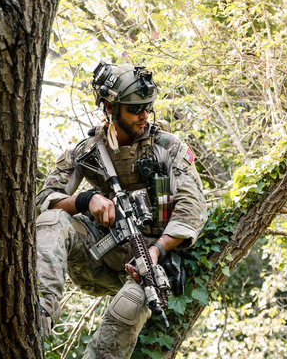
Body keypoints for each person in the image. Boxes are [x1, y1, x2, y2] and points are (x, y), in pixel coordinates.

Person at [35, 61, 208, 358]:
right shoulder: (88, 148)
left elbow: (193, 208)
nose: (144, 116)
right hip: (98, 256)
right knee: (52, 220)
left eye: (147, 107)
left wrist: (155, 252)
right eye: (134, 109)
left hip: (149, 261)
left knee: (127, 306)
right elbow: (43, 199)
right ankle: (35, 321)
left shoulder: (168, 147)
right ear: (110, 108)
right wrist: (85, 201)